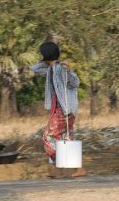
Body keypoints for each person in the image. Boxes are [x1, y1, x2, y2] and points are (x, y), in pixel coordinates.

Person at [30, 41, 86, 178]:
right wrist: (48, 61)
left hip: (65, 110)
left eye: (42, 53)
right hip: (61, 109)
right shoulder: (50, 69)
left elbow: (76, 83)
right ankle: (76, 169)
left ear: (46, 54)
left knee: (47, 137)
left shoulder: (60, 68)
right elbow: (34, 68)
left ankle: (59, 165)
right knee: (66, 138)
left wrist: (69, 70)